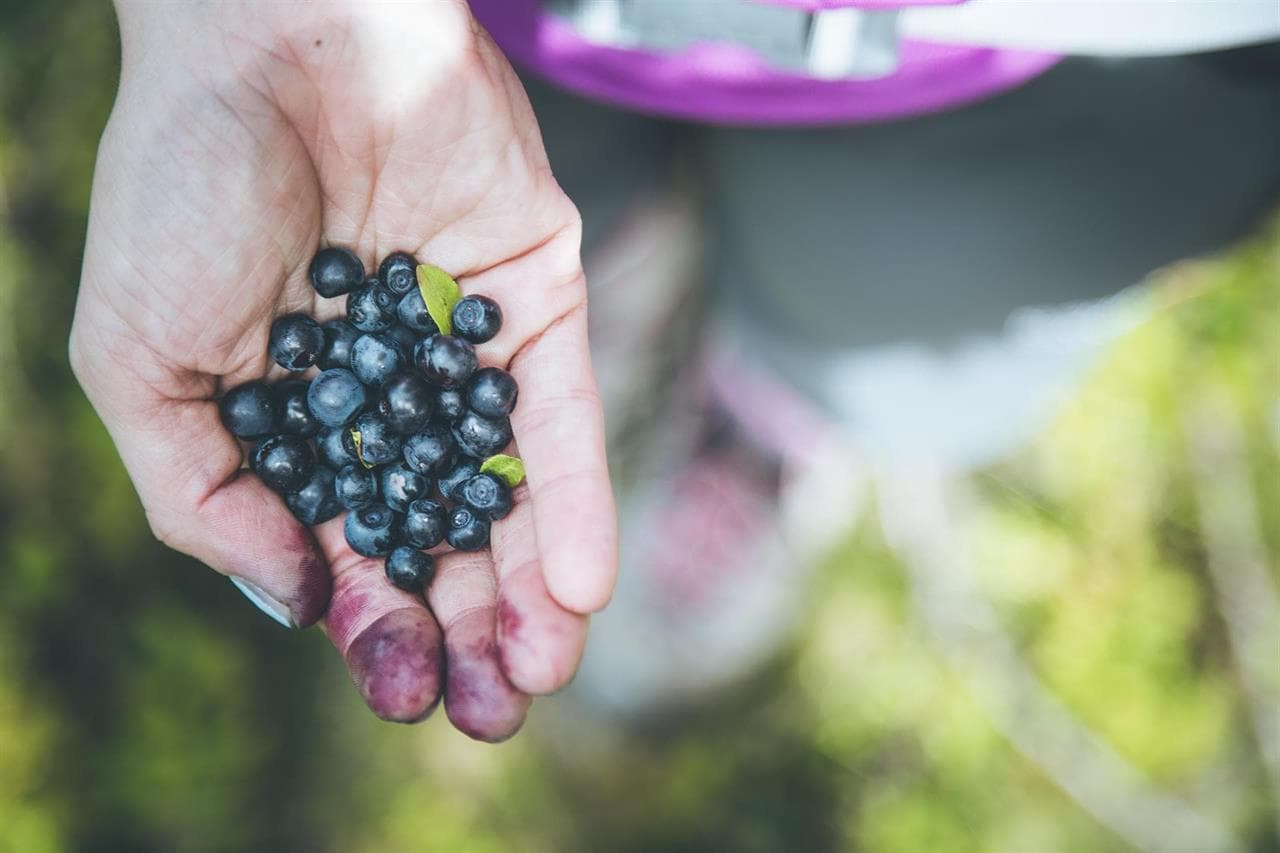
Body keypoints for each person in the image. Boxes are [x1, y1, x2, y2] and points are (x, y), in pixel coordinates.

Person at [71, 0, 1280, 738]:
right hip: (470, 25)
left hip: (1029, 37)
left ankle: (729, 364)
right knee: (906, 371)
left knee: (903, 337)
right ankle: (709, 350)